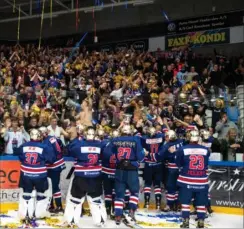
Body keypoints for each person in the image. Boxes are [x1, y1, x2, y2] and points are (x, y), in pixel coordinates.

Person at [64, 126, 107, 228]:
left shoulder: (79, 144)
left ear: (84, 134)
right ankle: (100, 220)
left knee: (75, 200)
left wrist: (77, 137)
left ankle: (72, 221)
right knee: (96, 200)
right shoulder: (100, 145)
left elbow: (69, 150)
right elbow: (105, 154)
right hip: (95, 176)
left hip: (81, 176)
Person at [16, 129, 55, 226]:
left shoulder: (24, 146)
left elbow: (20, 157)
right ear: (39, 136)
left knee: (26, 194)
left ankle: (25, 214)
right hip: (40, 175)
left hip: (26, 174)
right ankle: (38, 214)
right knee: (41, 195)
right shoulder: (44, 146)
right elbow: (51, 159)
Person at [111, 124, 147, 226]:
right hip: (131, 169)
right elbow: (140, 156)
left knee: (119, 194)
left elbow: (110, 152)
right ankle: (131, 211)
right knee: (134, 192)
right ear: (130, 131)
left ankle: (118, 216)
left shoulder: (116, 139)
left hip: (119, 169)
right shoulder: (135, 139)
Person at [175, 130, 210, 228]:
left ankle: (186, 221)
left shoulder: (182, 149)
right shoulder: (206, 149)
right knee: (201, 203)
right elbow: (206, 164)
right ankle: (201, 221)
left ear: (188, 137)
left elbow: (178, 163)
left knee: (185, 202)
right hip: (202, 181)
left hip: (186, 180)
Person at [39, 126, 65, 214]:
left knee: (53, 187)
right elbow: (60, 145)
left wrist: (44, 160)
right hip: (58, 164)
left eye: (40, 133)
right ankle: (52, 205)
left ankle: (58, 206)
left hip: (53, 166)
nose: (39, 135)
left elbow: (50, 158)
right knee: (52, 186)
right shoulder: (52, 138)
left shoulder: (46, 142)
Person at [141, 127, 165, 210]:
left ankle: (146, 203)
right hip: (158, 164)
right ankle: (158, 204)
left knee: (147, 184)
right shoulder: (161, 136)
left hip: (148, 164)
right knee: (157, 185)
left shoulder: (144, 138)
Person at [101, 130, 119, 219]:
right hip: (115, 172)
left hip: (106, 172)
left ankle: (108, 210)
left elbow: (100, 157)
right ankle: (114, 210)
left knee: (108, 193)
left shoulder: (104, 144)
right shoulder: (121, 146)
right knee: (114, 193)